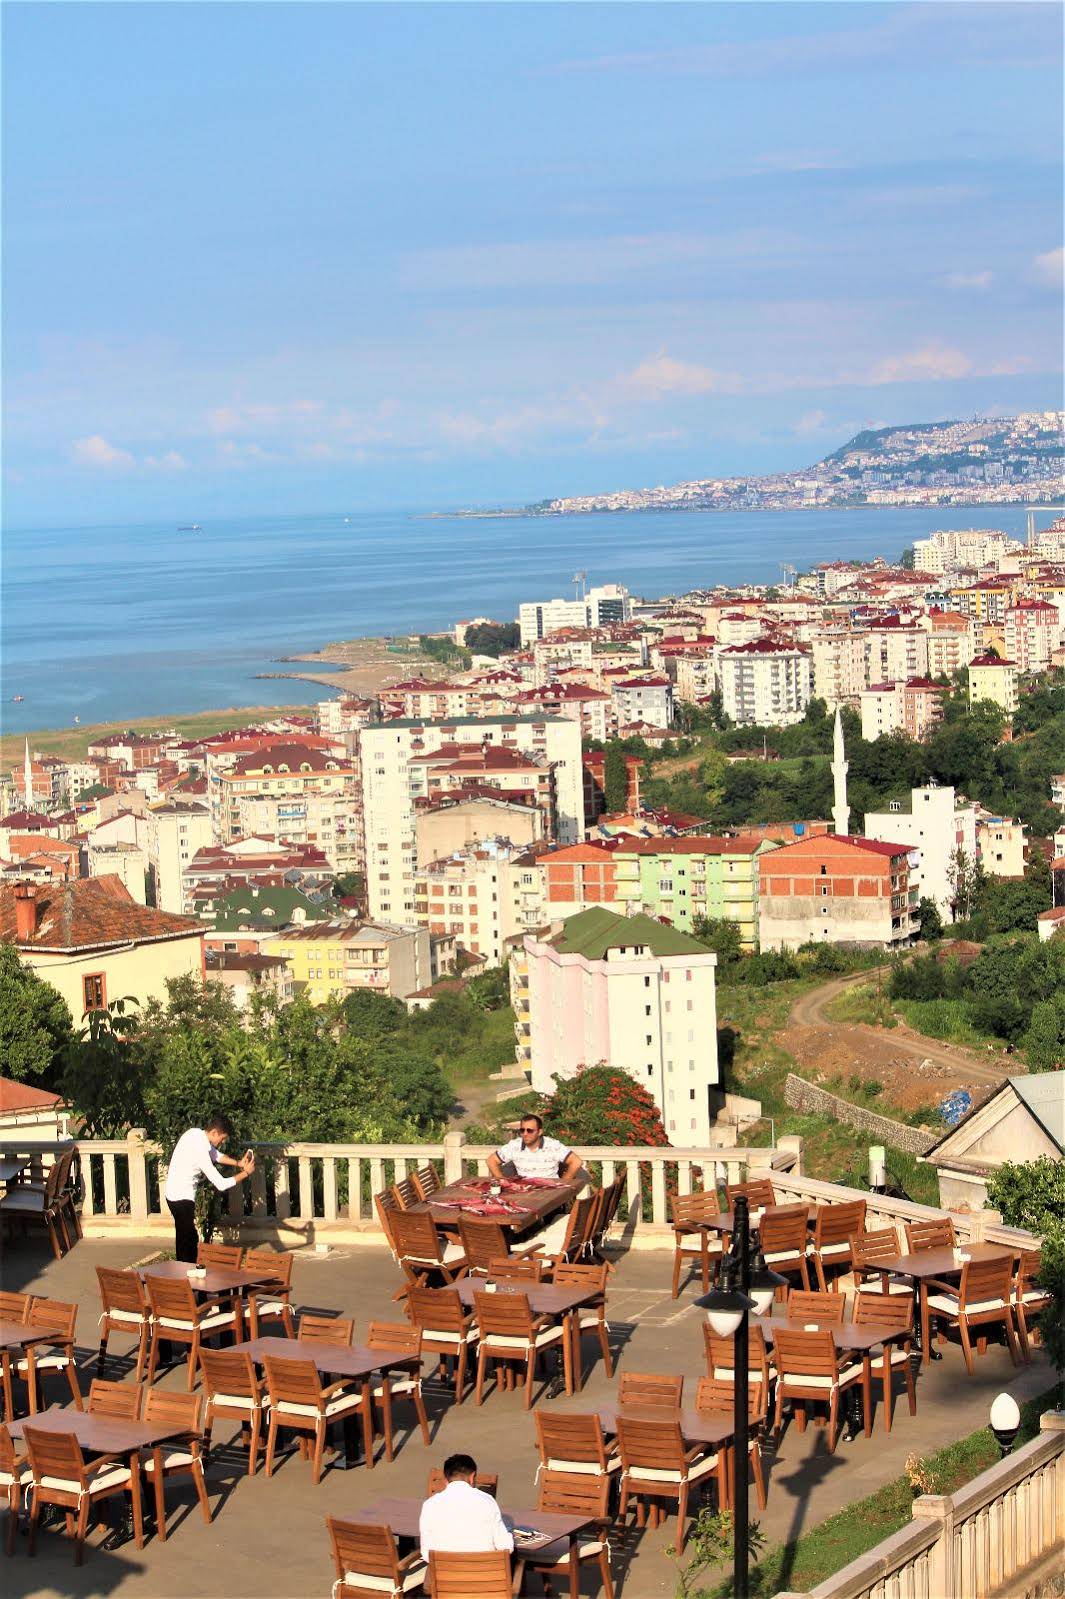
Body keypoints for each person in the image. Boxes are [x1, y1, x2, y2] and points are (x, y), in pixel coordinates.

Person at [163, 1114, 255, 1263]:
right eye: (222, 1138)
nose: (222, 1142)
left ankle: (185, 1273)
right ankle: (185, 1277)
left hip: (172, 1195)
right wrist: (245, 1173)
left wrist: (238, 1163)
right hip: (182, 1199)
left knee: (188, 1237)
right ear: (214, 1132)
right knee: (187, 1243)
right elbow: (221, 1184)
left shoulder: (194, 1133)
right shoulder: (200, 1150)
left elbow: (215, 1155)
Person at [419, 1454, 513, 1562]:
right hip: (484, 1575)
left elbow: (426, 1554)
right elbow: (505, 1548)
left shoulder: (430, 1505)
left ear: (445, 1479)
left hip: (445, 1576)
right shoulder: (487, 1501)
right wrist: (509, 1534)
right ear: (472, 1477)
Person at [487, 1112, 582, 1184]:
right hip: (525, 1191)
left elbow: (576, 1162)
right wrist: (503, 1182)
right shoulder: (514, 1146)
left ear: (540, 1132)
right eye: (522, 1130)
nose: (525, 1134)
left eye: (530, 1130)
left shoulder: (553, 1146)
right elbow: (491, 1160)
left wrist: (563, 1183)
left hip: (549, 1192)